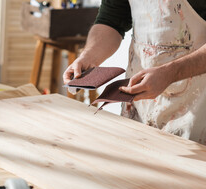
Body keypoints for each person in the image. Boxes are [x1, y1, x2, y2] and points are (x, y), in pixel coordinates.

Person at [63, 0, 206, 144]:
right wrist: (88, 56)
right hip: (139, 102)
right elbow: (111, 20)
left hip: (197, 105)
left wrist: (171, 73)